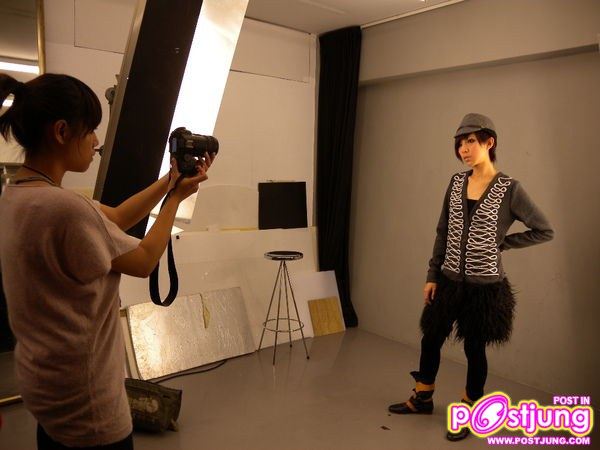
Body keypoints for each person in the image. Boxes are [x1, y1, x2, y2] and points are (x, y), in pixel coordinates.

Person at [0, 73, 215, 449]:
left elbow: (114, 218)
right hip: (90, 408)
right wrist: (176, 201)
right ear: (62, 132)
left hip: (48, 390)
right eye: (90, 131)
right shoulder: (66, 209)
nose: (96, 142)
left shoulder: (17, 196)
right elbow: (144, 261)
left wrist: (170, 181)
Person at [387, 113, 554, 441]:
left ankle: (470, 411)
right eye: (460, 143)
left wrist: (502, 243)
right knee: (431, 338)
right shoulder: (456, 183)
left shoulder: (510, 189)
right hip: (448, 280)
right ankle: (423, 397)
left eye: (471, 141)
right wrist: (432, 274)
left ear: (489, 142)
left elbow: (544, 230)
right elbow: (443, 231)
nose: (463, 149)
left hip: (484, 288)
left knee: (474, 349)